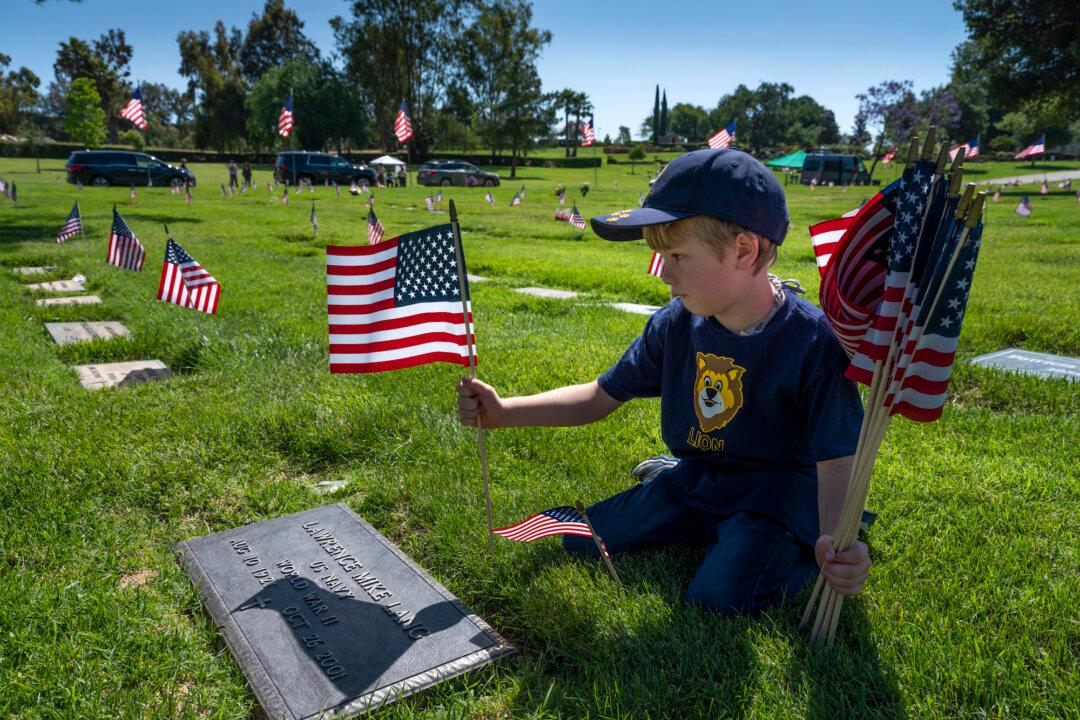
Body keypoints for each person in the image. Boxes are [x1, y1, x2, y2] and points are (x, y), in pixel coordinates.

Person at [457, 148, 871, 614]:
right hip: (701, 478)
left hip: (774, 498)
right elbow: (598, 396)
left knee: (717, 597)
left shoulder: (812, 342)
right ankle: (674, 485)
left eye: (677, 256)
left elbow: (838, 461)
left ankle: (788, 549)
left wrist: (837, 542)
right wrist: (504, 411)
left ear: (743, 250)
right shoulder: (677, 324)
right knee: (584, 539)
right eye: (660, 256)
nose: (664, 275)